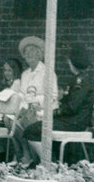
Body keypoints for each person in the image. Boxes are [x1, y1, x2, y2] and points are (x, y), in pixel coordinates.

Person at [16, 43, 94, 165]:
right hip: (73, 120)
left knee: (32, 130)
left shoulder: (81, 82)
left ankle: (49, 163)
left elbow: (71, 108)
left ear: (73, 63)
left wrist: (52, 113)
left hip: (74, 122)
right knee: (34, 127)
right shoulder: (79, 80)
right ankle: (46, 161)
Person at [9, 36, 59, 166]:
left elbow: (53, 96)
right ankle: (25, 155)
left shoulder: (47, 72)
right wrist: (21, 106)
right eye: (26, 52)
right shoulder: (25, 74)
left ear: (39, 54)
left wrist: (34, 101)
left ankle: (33, 158)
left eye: (32, 51)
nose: (28, 54)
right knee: (10, 120)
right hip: (28, 111)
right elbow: (21, 95)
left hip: (43, 112)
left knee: (24, 121)